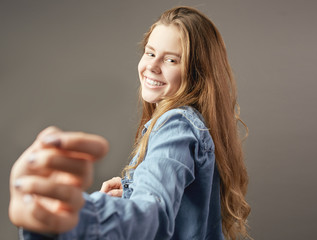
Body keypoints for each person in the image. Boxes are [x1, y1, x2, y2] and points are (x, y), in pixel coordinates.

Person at [9, 6, 251, 240]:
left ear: (196, 71)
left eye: (171, 60)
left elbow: (151, 212)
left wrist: (73, 217)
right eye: (150, 52)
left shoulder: (176, 125)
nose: (152, 67)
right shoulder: (193, 125)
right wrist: (130, 191)